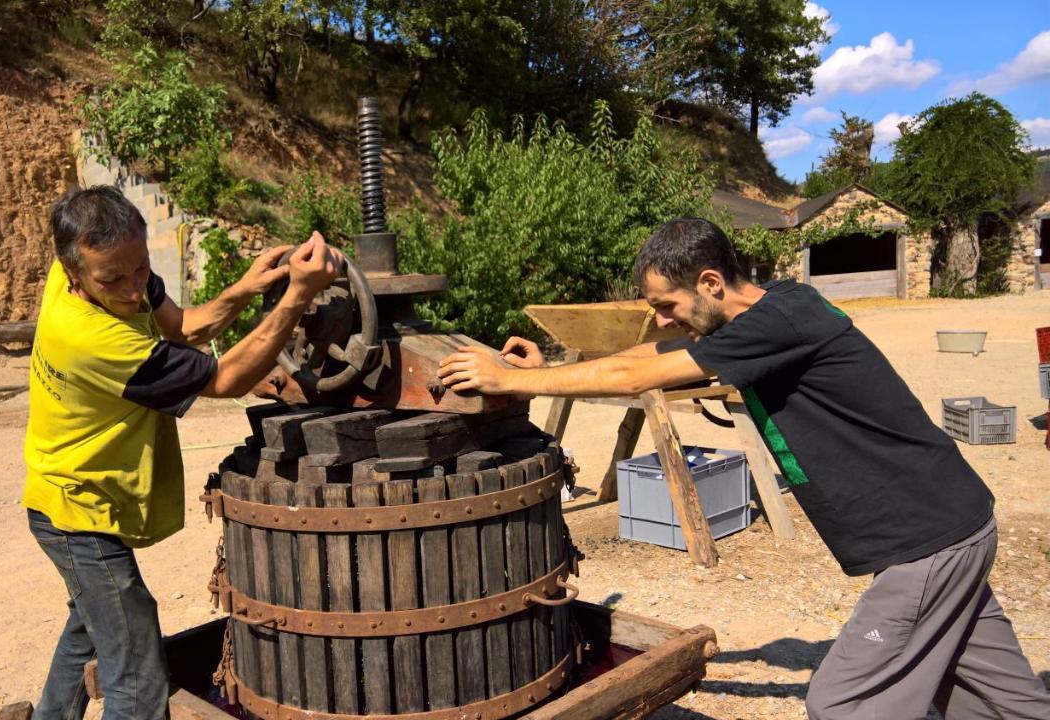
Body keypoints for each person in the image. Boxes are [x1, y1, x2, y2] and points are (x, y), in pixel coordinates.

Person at [437, 218, 1050, 719]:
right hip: (954, 525)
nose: (663, 318)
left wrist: (514, 381)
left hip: (928, 542)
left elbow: (637, 373)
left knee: (845, 703)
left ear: (709, 281)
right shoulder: (776, 305)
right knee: (999, 705)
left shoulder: (778, 322)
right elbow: (652, 356)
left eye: (668, 304)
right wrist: (554, 366)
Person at [22, 185, 340, 720]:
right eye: (113, 279)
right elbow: (228, 377)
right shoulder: (92, 338)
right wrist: (297, 297)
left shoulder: (93, 274)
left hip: (66, 494)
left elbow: (185, 327)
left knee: (91, 626)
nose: (131, 290)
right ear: (71, 270)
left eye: (140, 269)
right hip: (79, 510)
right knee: (139, 675)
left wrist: (244, 289)